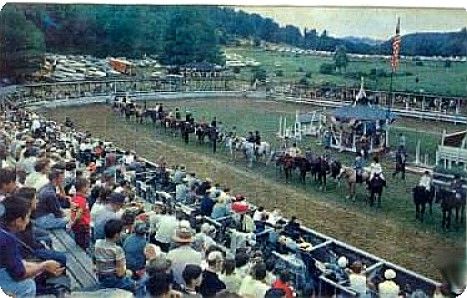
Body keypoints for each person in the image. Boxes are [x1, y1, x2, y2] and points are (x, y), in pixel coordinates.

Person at [0, 195, 64, 298]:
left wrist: (41, 266)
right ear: (18, 221)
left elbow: (15, 263)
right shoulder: (7, 239)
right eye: (27, 217)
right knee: (28, 286)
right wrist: (43, 266)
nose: (28, 220)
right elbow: (19, 274)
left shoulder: (4, 230)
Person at [94, 219, 135, 292]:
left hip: (101, 276)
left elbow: (95, 260)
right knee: (134, 283)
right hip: (112, 280)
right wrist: (126, 271)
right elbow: (120, 274)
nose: (123, 233)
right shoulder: (117, 250)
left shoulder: (97, 243)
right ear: (116, 235)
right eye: (122, 232)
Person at [69, 177, 91, 250]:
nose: (88, 188)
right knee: (84, 244)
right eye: (87, 186)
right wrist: (72, 224)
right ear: (83, 188)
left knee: (79, 240)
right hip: (82, 226)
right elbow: (78, 215)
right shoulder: (82, 200)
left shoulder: (74, 198)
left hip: (78, 226)